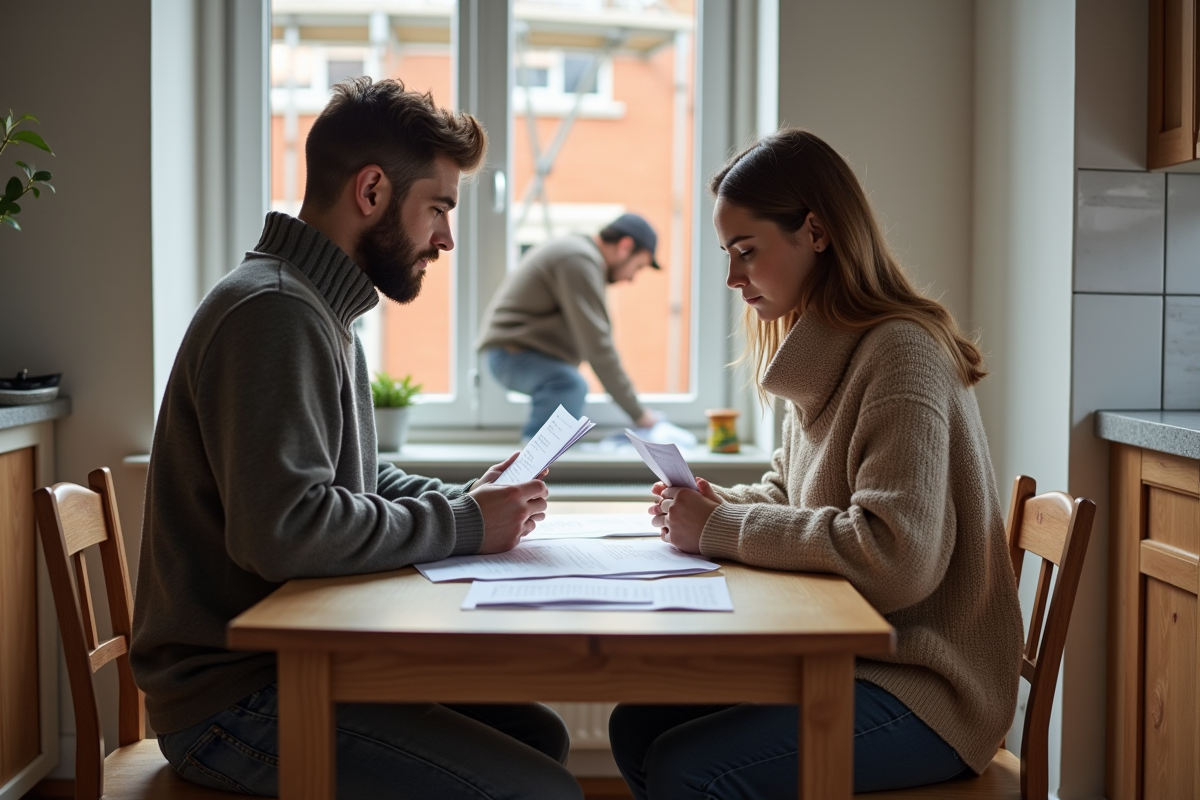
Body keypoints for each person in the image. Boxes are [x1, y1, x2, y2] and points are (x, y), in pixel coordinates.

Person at [131, 78, 583, 800]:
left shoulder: (315, 307)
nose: (446, 237)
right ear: (372, 192)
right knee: (541, 790)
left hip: (283, 667)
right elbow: (286, 531)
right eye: (437, 207)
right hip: (233, 701)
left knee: (537, 736)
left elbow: (355, 481)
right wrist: (467, 522)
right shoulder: (274, 314)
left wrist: (471, 500)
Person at [608, 129, 1024, 798]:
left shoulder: (899, 355)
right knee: (638, 727)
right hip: (857, 659)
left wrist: (716, 529)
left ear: (817, 232)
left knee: (691, 768)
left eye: (747, 252)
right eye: (727, 253)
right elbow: (794, 492)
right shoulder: (831, 346)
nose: (732, 278)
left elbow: (894, 555)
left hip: (927, 686)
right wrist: (714, 507)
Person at [478, 213, 662, 440]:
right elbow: (598, 347)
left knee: (569, 384)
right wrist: (639, 415)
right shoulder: (579, 259)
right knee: (569, 384)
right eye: (639, 266)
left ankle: (540, 460)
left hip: (516, 353)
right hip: (511, 354)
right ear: (625, 246)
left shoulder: (581, 257)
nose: (632, 278)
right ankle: (531, 462)